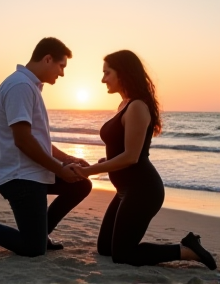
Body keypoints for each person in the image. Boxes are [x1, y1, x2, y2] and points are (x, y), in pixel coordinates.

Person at [72, 50, 217, 270]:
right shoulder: (125, 104)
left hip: (143, 190)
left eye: (107, 73)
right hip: (124, 191)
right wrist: (102, 161)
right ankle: (186, 247)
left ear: (123, 73)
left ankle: (187, 250)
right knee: (105, 248)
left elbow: (132, 157)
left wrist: (90, 172)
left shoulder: (138, 106)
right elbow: (122, 149)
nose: (103, 79)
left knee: (122, 254)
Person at [0, 37, 92, 257]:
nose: (62, 73)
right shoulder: (21, 86)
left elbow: (38, 140)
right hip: (20, 177)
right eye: (61, 66)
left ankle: (40, 233)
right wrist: (59, 169)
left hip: (31, 172)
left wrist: (67, 160)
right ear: (47, 59)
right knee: (32, 249)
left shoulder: (29, 86)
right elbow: (23, 140)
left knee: (80, 184)